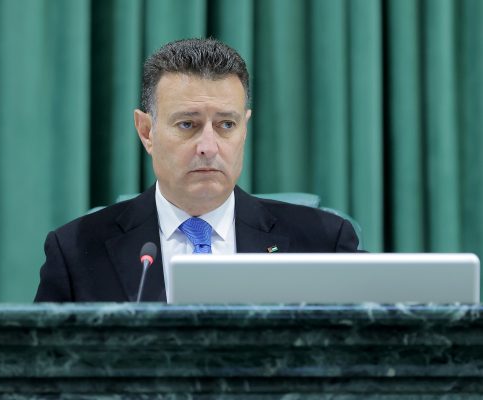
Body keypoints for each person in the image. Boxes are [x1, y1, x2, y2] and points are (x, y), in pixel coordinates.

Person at [34, 38, 360, 302]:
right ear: (146, 131)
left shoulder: (323, 241)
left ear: (244, 129)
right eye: (188, 124)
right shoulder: (76, 250)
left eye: (226, 124)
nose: (208, 147)